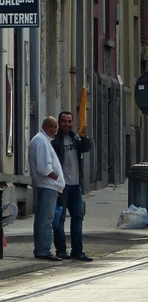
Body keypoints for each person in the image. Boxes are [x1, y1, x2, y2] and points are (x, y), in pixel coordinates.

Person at [52, 110, 93, 262]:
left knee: (78, 217)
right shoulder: (55, 141)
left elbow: (87, 147)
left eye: (69, 122)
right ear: (59, 122)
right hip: (62, 186)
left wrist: (84, 137)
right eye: (64, 121)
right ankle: (61, 250)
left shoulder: (75, 137)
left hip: (76, 186)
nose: (67, 125)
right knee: (59, 219)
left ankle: (77, 251)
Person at [28, 116, 65, 262]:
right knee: (46, 220)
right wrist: (56, 178)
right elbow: (44, 168)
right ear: (44, 126)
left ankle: (42, 249)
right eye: (51, 126)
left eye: (56, 127)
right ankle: (43, 250)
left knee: (45, 219)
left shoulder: (43, 141)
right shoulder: (41, 141)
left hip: (48, 186)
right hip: (47, 185)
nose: (54, 130)